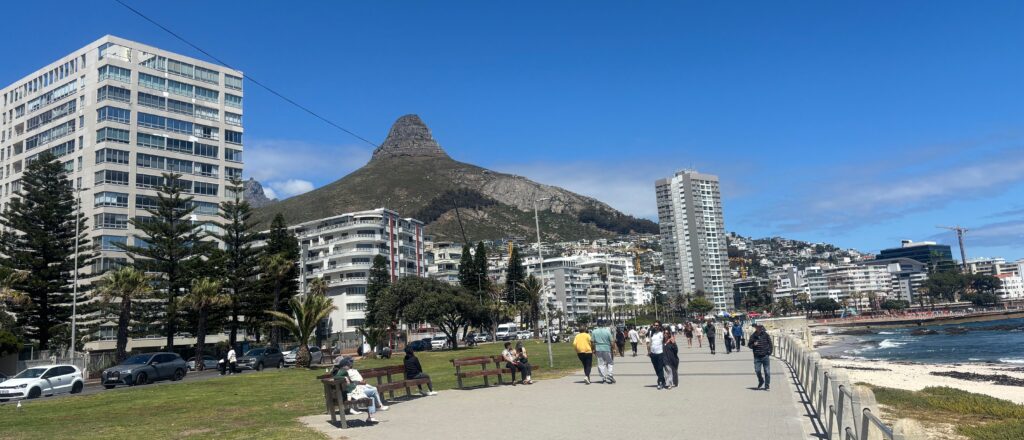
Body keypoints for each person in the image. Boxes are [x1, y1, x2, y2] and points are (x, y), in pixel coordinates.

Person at [334, 357, 388, 423]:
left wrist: (348, 380)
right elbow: (336, 377)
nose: (349, 366)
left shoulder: (345, 371)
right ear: (344, 366)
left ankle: (371, 416)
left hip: (353, 391)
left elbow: (350, 382)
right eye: (348, 365)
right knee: (371, 395)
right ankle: (373, 413)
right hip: (351, 393)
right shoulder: (343, 371)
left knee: (371, 396)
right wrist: (345, 377)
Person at [747, 324, 775, 391]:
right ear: (756, 328)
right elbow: (749, 345)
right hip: (757, 357)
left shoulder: (765, 334)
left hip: (765, 356)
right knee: (757, 370)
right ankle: (761, 380)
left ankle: (767, 386)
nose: (759, 328)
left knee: (767, 372)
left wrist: (769, 352)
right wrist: (753, 344)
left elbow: (770, 343)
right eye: (757, 327)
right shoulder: (753, 336)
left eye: (760, 327)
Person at [647, 321, 667, 389]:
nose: (656, 326)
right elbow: (649, 342)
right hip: (653, 353)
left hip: (660, 353)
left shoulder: (661, 333)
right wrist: (649, 352)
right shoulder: (651, 333)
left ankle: (660, 382)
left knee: (660, 368)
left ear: (659, 326)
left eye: (657, 325)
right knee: (656, 369)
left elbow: (664, 342)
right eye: (655, 325)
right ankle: (663, 380)